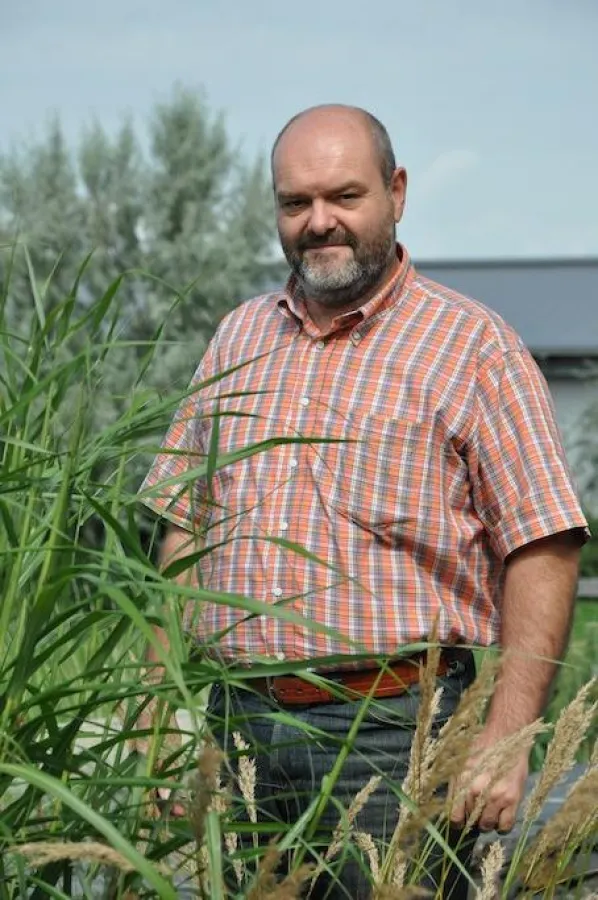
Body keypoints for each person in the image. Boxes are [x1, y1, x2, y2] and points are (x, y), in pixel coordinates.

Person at [138, 104, 588, 899]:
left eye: (344, 196)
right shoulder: (239, 337)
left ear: (397, 192)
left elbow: (543, 543)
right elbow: (182, 525)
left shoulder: (473, 345)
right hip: (237, 728)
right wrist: (155, 717)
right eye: (295, 203)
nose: (319, 222)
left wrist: (505, 737)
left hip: (395, 733)